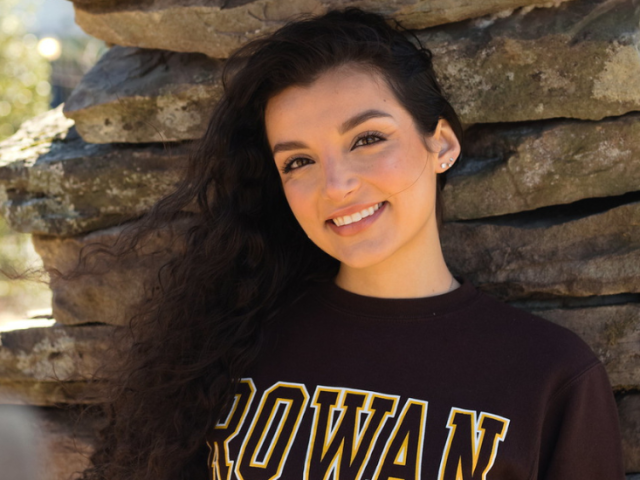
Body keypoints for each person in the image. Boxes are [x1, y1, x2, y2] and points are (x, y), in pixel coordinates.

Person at [76, 8, 625, 480]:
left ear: (442, 144)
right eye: (299, 161)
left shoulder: (549, 375)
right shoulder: (226, 345)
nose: (335, 185)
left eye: (367, 139)